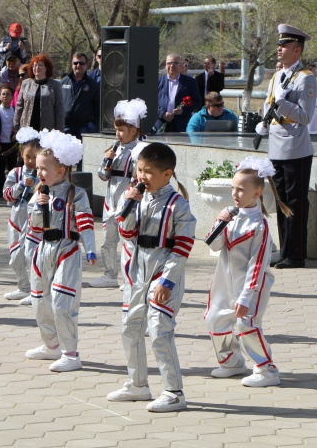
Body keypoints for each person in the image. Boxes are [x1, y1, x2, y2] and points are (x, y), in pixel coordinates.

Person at [108, 142, 195, 412]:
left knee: (159, 331)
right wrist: (129, 206)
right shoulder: (135, 197)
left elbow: (182, 247)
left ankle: (174, 391)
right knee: (130, 327)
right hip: (137, 269)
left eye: (148, 171)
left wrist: (167, 281)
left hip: (163, 272)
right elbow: (127, 234)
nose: (141, 176)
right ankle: (137, 384)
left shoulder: (178, 204)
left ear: (167, 174)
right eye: (139, 169)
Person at [204, 157, 291, 388]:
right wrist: (219, 223)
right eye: (233, 188)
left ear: (257, 193)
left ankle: (266, 369)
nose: (235, 193)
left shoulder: (259, 225)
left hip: (252, 284)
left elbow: (258, 262)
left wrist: (246, 296)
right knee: (215, 319)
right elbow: (213, 245)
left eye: (241, 190)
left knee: (246, 324)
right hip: (224, 280)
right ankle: (231, 362)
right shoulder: (229, 214)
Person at [25, 129, 96, 373]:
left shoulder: (77, 194)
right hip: (43, 250)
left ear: (61, 171)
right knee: (39, 301)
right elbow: (33, 225)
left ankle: (71, 353)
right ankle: (51, 344)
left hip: (67, 248)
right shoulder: (38, 194)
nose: (39, 173)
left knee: (62, 302)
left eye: (44, 169)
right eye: (37, 168)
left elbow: (86, 222)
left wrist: (91, 249)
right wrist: (38, 208)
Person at [255, 24, 316, 270]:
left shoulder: (306, 79)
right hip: (276, 147)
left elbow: (305, 116)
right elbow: (269, 104)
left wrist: (283, 105)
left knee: (295, 202)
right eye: (279, 45)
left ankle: (297, 254)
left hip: (295, 148)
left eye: (284, 45)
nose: (279, 49)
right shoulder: (277, 76)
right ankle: (285, 251)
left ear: (297, 50)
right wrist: (263, 121)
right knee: (281, 201)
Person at [91, 98, 146, 289]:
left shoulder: (139, 150)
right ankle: (109, 274)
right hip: (110, 199)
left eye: (122, 130)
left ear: (134, 130)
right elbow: (102, 174)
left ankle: (129, 275)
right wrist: (106, 161)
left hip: (126, 198)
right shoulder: (114, 149)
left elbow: (139, 177)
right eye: (116, 130)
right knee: (108, 239)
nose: (118, 134)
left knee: (127, 240)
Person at [1, 127, 40, 303]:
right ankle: (23, 287)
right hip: (16, 219)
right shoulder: (15, 174)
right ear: (21, 155)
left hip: (34, 220)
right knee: (15, 256)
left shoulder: (43, 173)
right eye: (28, 157)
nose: (31, 161)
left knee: (32, 255)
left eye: (35, 157)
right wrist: (20, 186)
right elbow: (6, 194)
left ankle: (36, 289)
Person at [13, 54, 64, 132]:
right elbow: (19, 105)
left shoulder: (55, 85)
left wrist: (59, 130)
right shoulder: (25, 83)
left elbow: (59, 109)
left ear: (47, 68)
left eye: (40, 65)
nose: (37, 68)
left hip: (47, 130)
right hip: (27, 128)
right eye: (34, 65)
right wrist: (16, 125)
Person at [154, 54, 201, 133]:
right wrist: (162, 113)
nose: (172, 66)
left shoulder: (190, 82)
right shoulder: (158, 81)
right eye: (169, 63)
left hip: (181, 125)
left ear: (181, 65)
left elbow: (197, 101)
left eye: (175, 63)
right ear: (165, 65)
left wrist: (183, 110)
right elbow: (150, 102)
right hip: (161, 125)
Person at [61, 52, 100, 140]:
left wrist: (95, 127)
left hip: (85, 128)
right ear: (72, 65)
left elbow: (98, 108)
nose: (78, 65)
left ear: (86, 65)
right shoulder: (62, 83)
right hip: (65, 128)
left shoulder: (93, 85)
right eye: (75, 63)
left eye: (81, 63)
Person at [0, 84, 17, 195]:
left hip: (12, 143)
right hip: (0, 143)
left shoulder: (15, 111)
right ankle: (0, 188)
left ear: (12, 97)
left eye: (8, 94)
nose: (5, 96)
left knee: (12, 167)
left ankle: (12, 189)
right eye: (3, 94)